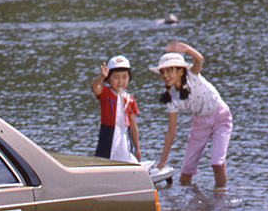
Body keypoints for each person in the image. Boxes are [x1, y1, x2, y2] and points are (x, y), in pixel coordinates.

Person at [151, 41, 232, 187]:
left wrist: (186, 49)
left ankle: (221, 197)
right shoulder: (171, 97)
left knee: (217, 163)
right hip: (200, 122)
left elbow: (199, 59)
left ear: (180, 71)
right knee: (186, 173)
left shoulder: (192, 75)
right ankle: (189, 198)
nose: (165, 75)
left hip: (220, 116)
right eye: (162, 72)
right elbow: (171, 131)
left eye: (169, 71)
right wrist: (163, 161)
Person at [90, 54, 141, 163]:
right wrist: (101, 76)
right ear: (109, 79)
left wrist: (137, 148)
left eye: (124, 77)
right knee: (102, 159)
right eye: (116, 77)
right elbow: (93, 87)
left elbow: (133, 126)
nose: (120, 81)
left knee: (125, 158)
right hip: (107, 133)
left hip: (124, 134)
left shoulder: (129, 100)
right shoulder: (105, 92)